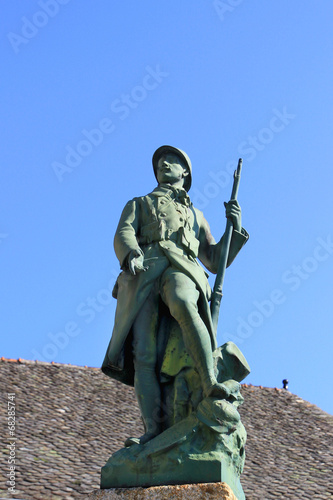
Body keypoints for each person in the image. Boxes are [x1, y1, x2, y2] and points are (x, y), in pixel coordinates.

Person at [102, 146, 249, 445]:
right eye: (159, 162)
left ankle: (209, 382)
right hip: (144, 272)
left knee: (183, 301)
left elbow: (213, 257)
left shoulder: (196, 215)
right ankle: (153, 431)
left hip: (181, 268)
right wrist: (131, 253)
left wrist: (234, 227)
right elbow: (124, 232)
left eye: (172, 161)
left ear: (186, 172)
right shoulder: (139, 203)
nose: (163, 163)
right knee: (143, 355)